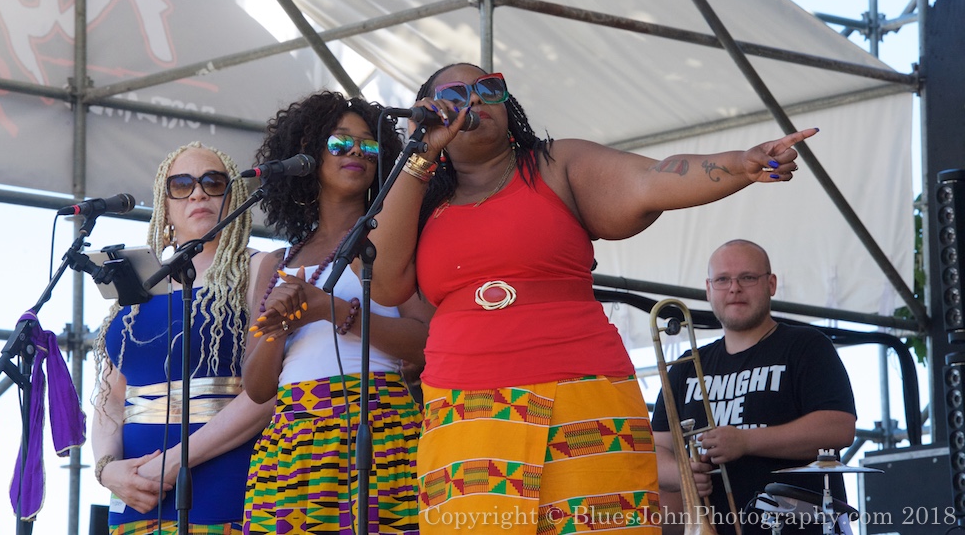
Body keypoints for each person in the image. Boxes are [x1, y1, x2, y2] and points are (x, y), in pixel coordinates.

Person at [366, 62, 818, 534]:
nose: (476, 99)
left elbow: (654, 178)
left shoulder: (555, 165)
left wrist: (741, 164)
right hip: (464, 407)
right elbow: (384, 281)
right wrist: (420, 155)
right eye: (457, 94)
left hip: (581, 393)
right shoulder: (419, 197)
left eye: (488, 88)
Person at [241, 91, 430, 534]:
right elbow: (257, 386)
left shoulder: (391, 240)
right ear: (306, 155)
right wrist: (279, 324)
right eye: (340, 142)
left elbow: (427, 341)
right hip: (293, 442)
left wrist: (332, 310)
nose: (357, 154)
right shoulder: (275, 263)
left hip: (380, 429)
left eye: (369, 145)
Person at [91, 142, 274, 535]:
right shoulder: (138, 281)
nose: (198, 193)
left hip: (225, 485)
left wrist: (176, 461)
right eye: (181, 185)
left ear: (233, 197)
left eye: (213, 182)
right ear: (166, 205)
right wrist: (108, 471)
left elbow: (269, 391)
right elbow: (110, 397)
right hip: (135, 492)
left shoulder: (259, 269)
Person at [650, 239, 857, 535]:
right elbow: (655, 450)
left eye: (747, 277)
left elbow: (839, 428)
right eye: (722, 280)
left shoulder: (807, 346)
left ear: (771, 284)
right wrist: (683, 474)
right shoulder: (685, 367)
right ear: (708, 289)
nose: (734, 288)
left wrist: (746, 442)